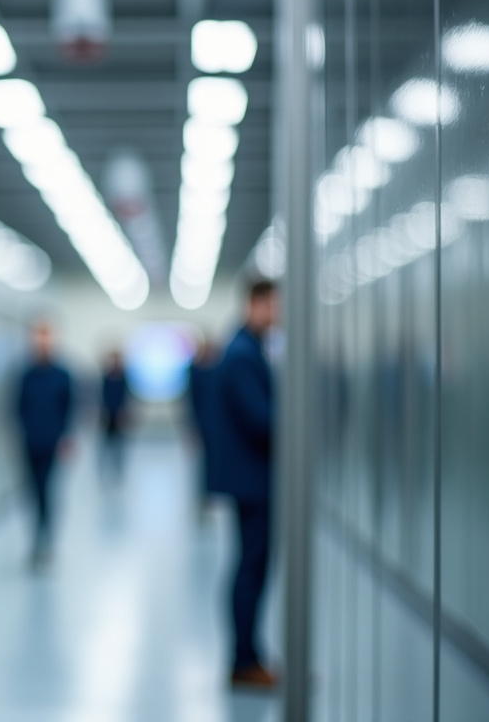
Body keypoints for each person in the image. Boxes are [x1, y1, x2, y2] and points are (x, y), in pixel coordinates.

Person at [215, 280, 280, 690]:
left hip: (252, 479)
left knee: (251, 567)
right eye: (274, 305)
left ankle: (250, 655)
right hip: (252, 481)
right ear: (254, 304)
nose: (278, 313)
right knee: (250, 569)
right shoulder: (241, 354)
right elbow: (261, 421)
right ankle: (244, 660)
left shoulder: (247, 348)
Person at [13, 321, 75, 571]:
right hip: (30, 442)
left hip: (53, 443)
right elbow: (16, 406)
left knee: (48, 491)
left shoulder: (62, 375)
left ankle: (46, 540)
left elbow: (69, 408)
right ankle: (36, 538)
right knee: (33, 492)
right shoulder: (25, 374)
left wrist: (66, 438)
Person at [187, 338, 223, 510]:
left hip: (216, 425)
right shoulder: (195, 372)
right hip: (202, 423)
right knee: (202, 463)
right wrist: (193, 427)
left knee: (214, 462)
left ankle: (210, 496)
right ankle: (202, 498)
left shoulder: (218, 370)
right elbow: (192, 401)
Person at [98, 349, 130, 488]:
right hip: (108, 417)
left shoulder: (123, 378)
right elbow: (102, 397)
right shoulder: (106, 377)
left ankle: (118, 473)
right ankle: (104, 473)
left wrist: (124, 414)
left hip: (119, 417)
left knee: (119, 447)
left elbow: (126, 397)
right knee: (105, 447)